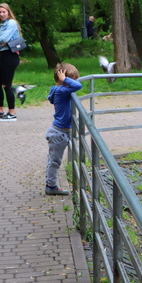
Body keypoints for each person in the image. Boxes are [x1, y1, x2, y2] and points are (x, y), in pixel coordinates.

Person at [45, 62, 83, 196]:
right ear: (63, 79)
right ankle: (51, 186)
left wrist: (64, 80)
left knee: (53, 160)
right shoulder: (62, 90)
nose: (72, 83)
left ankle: (50, 184)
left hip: (59, 131)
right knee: (54, 161)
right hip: (59, 133)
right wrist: (65, 80)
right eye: (70, 80)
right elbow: (79, 86)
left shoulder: (56, 89)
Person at [0, 3, 22, 121]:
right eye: (0, 12)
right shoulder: (1, 25)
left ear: (8, 12)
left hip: (11, 56)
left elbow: (4, 39)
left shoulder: (12, 23)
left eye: (3, 12)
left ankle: (12, 113)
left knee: (6, 85)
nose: (1, 14)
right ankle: (0, 111)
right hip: (3, 56)